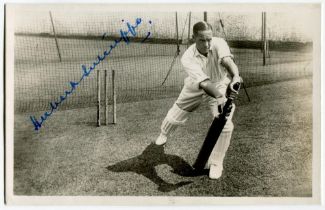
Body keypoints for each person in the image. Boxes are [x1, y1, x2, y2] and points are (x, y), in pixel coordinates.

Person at [154, 21, 241, 179]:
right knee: (176, 116)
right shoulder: (187, 57)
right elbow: (204, 83)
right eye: (202, 40)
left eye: (209, 39)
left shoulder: (219, 43)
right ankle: (163, 133)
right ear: (193, 38)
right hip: (196, 86)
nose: (207, 44)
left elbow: (228, 61)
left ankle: (215, 163)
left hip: (220, 84)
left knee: (225, 124)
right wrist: (221, 97)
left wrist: (235, 76)